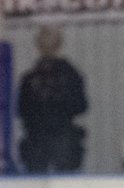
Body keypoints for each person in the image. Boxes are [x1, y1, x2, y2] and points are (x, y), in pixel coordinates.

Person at [17, 26, 89, 173]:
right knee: (66, 186)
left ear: (37, 46)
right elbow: (81, 106)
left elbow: (21, 110)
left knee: (35, 185)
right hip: (63, 139)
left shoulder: (29, 78)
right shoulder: (71, 75)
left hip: (37, 140)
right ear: (59, 45)